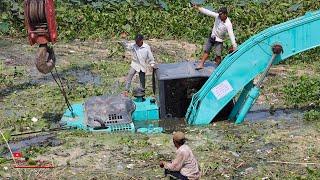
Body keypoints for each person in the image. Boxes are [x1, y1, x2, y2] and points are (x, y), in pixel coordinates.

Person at [193, 5, 238, 69]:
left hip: (219, 40)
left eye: (221, 14)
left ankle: (218, 68)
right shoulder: (217, 16)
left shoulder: (228, 24)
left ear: (225, 14)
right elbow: (208, 12)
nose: (219, 15)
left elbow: (231, 34)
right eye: (219, 14)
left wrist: (234, 45)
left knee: (218, 55)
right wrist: (198, 8)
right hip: (212, 36)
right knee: (206, 51)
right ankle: (201, 64)